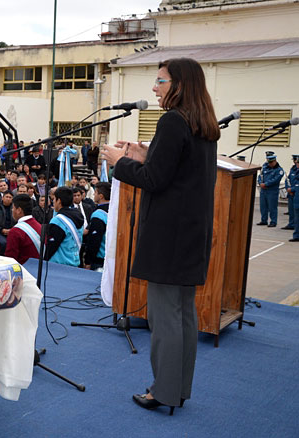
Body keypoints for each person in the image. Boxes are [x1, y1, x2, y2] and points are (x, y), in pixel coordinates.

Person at [101, 57, 220, 414]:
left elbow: (155, 180)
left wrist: (118, 163)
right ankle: (178, 388)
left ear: (180, 86)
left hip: (168, 235)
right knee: (183, 315)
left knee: (164, 317)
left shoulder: (172, 120)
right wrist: (143, 153)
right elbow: (176, 168)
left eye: (161, 81)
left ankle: (163, 391)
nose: (154, 87)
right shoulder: (202, 124)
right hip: (190, 233)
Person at [84, 182, 111, 271]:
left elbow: (94, 240)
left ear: (101, 196)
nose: (93, 194)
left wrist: (88, 261)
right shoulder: (116, 211)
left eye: (95, 192)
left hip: (99, 260)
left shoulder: (98, 214)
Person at [256, 151, 284, 227]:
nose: (270, 164)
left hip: (272, 191)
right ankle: (264, 220)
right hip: (263, 190)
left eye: (271, 163)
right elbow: (260, 176)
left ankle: (273, 221)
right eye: (269, 162)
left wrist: (266, 184)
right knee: (263, 206)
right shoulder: (265, 167)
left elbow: (276, 179)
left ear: (275, 161)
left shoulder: (279, 170)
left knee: (272, 207)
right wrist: (260, 183)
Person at [288, 155, 299, 241]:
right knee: (296, 219)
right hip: (296, 198)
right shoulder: (295, 172)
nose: (296, 164)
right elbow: (288, 180)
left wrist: (292, 189)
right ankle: (296, 235)